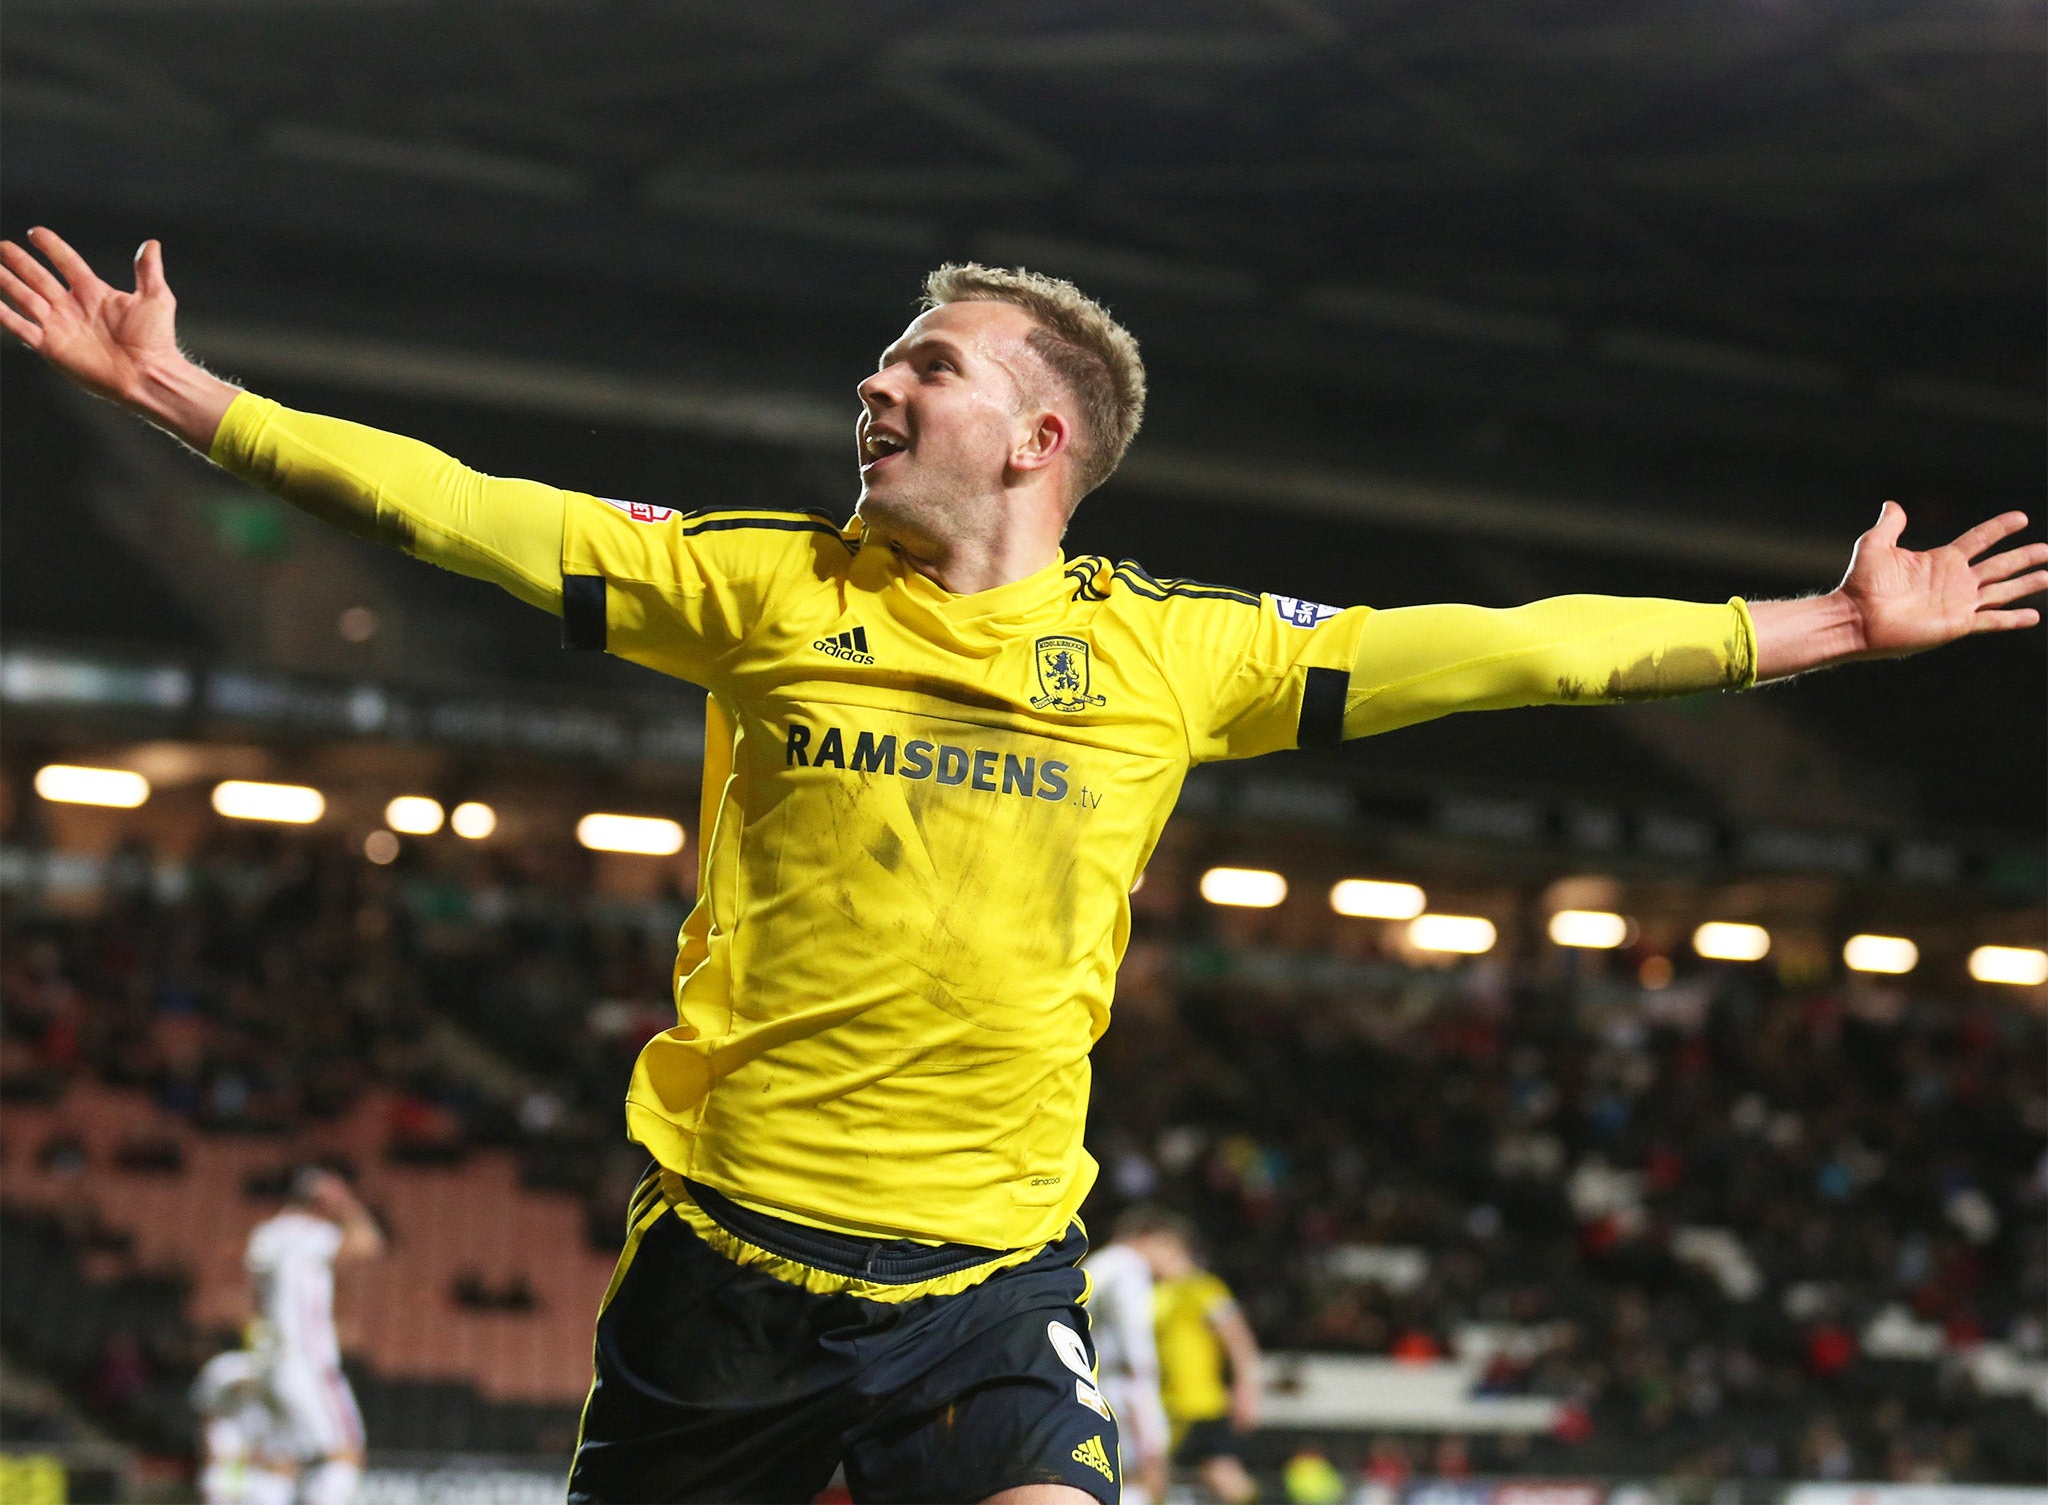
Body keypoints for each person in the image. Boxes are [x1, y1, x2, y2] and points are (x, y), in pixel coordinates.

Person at [3, 228, 2041, 1505]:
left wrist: (1829, 630)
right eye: (883, 359)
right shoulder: (751, 588)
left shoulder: (1176, 654)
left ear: (1040, 436)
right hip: (720, 1267)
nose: (874, 384)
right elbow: (464, 511)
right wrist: (184, 393)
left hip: (986, 1286)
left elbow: (1512, 653)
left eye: (926, 363)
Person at [243, 1167, 385, 1505]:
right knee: (345, 1454)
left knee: (281, 1460)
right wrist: (347, 1204)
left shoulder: (265, 1236)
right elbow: (370, 1244)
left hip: (270, 1362)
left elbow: (254, 1299)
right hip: (309, 1361)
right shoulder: (312, 1232)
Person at [1141, 1218, 1263, 1505]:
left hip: (1202, 1403)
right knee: (1149, 1475)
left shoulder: (1205, 1289)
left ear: (1174, 1249)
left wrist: (1248, 1389)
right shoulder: (1152, 1294)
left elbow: (1238, 1340)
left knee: (1222, 1474)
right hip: (1163, 1404)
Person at [1082, 1210, 1174, 1505]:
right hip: (1121, 1385)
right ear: (1149, 1237)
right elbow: (1133, 1335)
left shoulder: (1099, 1262)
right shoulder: (1128, 1267)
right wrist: (1144, 1390)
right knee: (1148, 1471)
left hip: (1089, 1382)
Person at [189, 1341, 294, 1505]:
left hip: (262, 1475)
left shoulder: (282, 1379)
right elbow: (207, 1415)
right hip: (226, 1471)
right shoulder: (223, 1369)